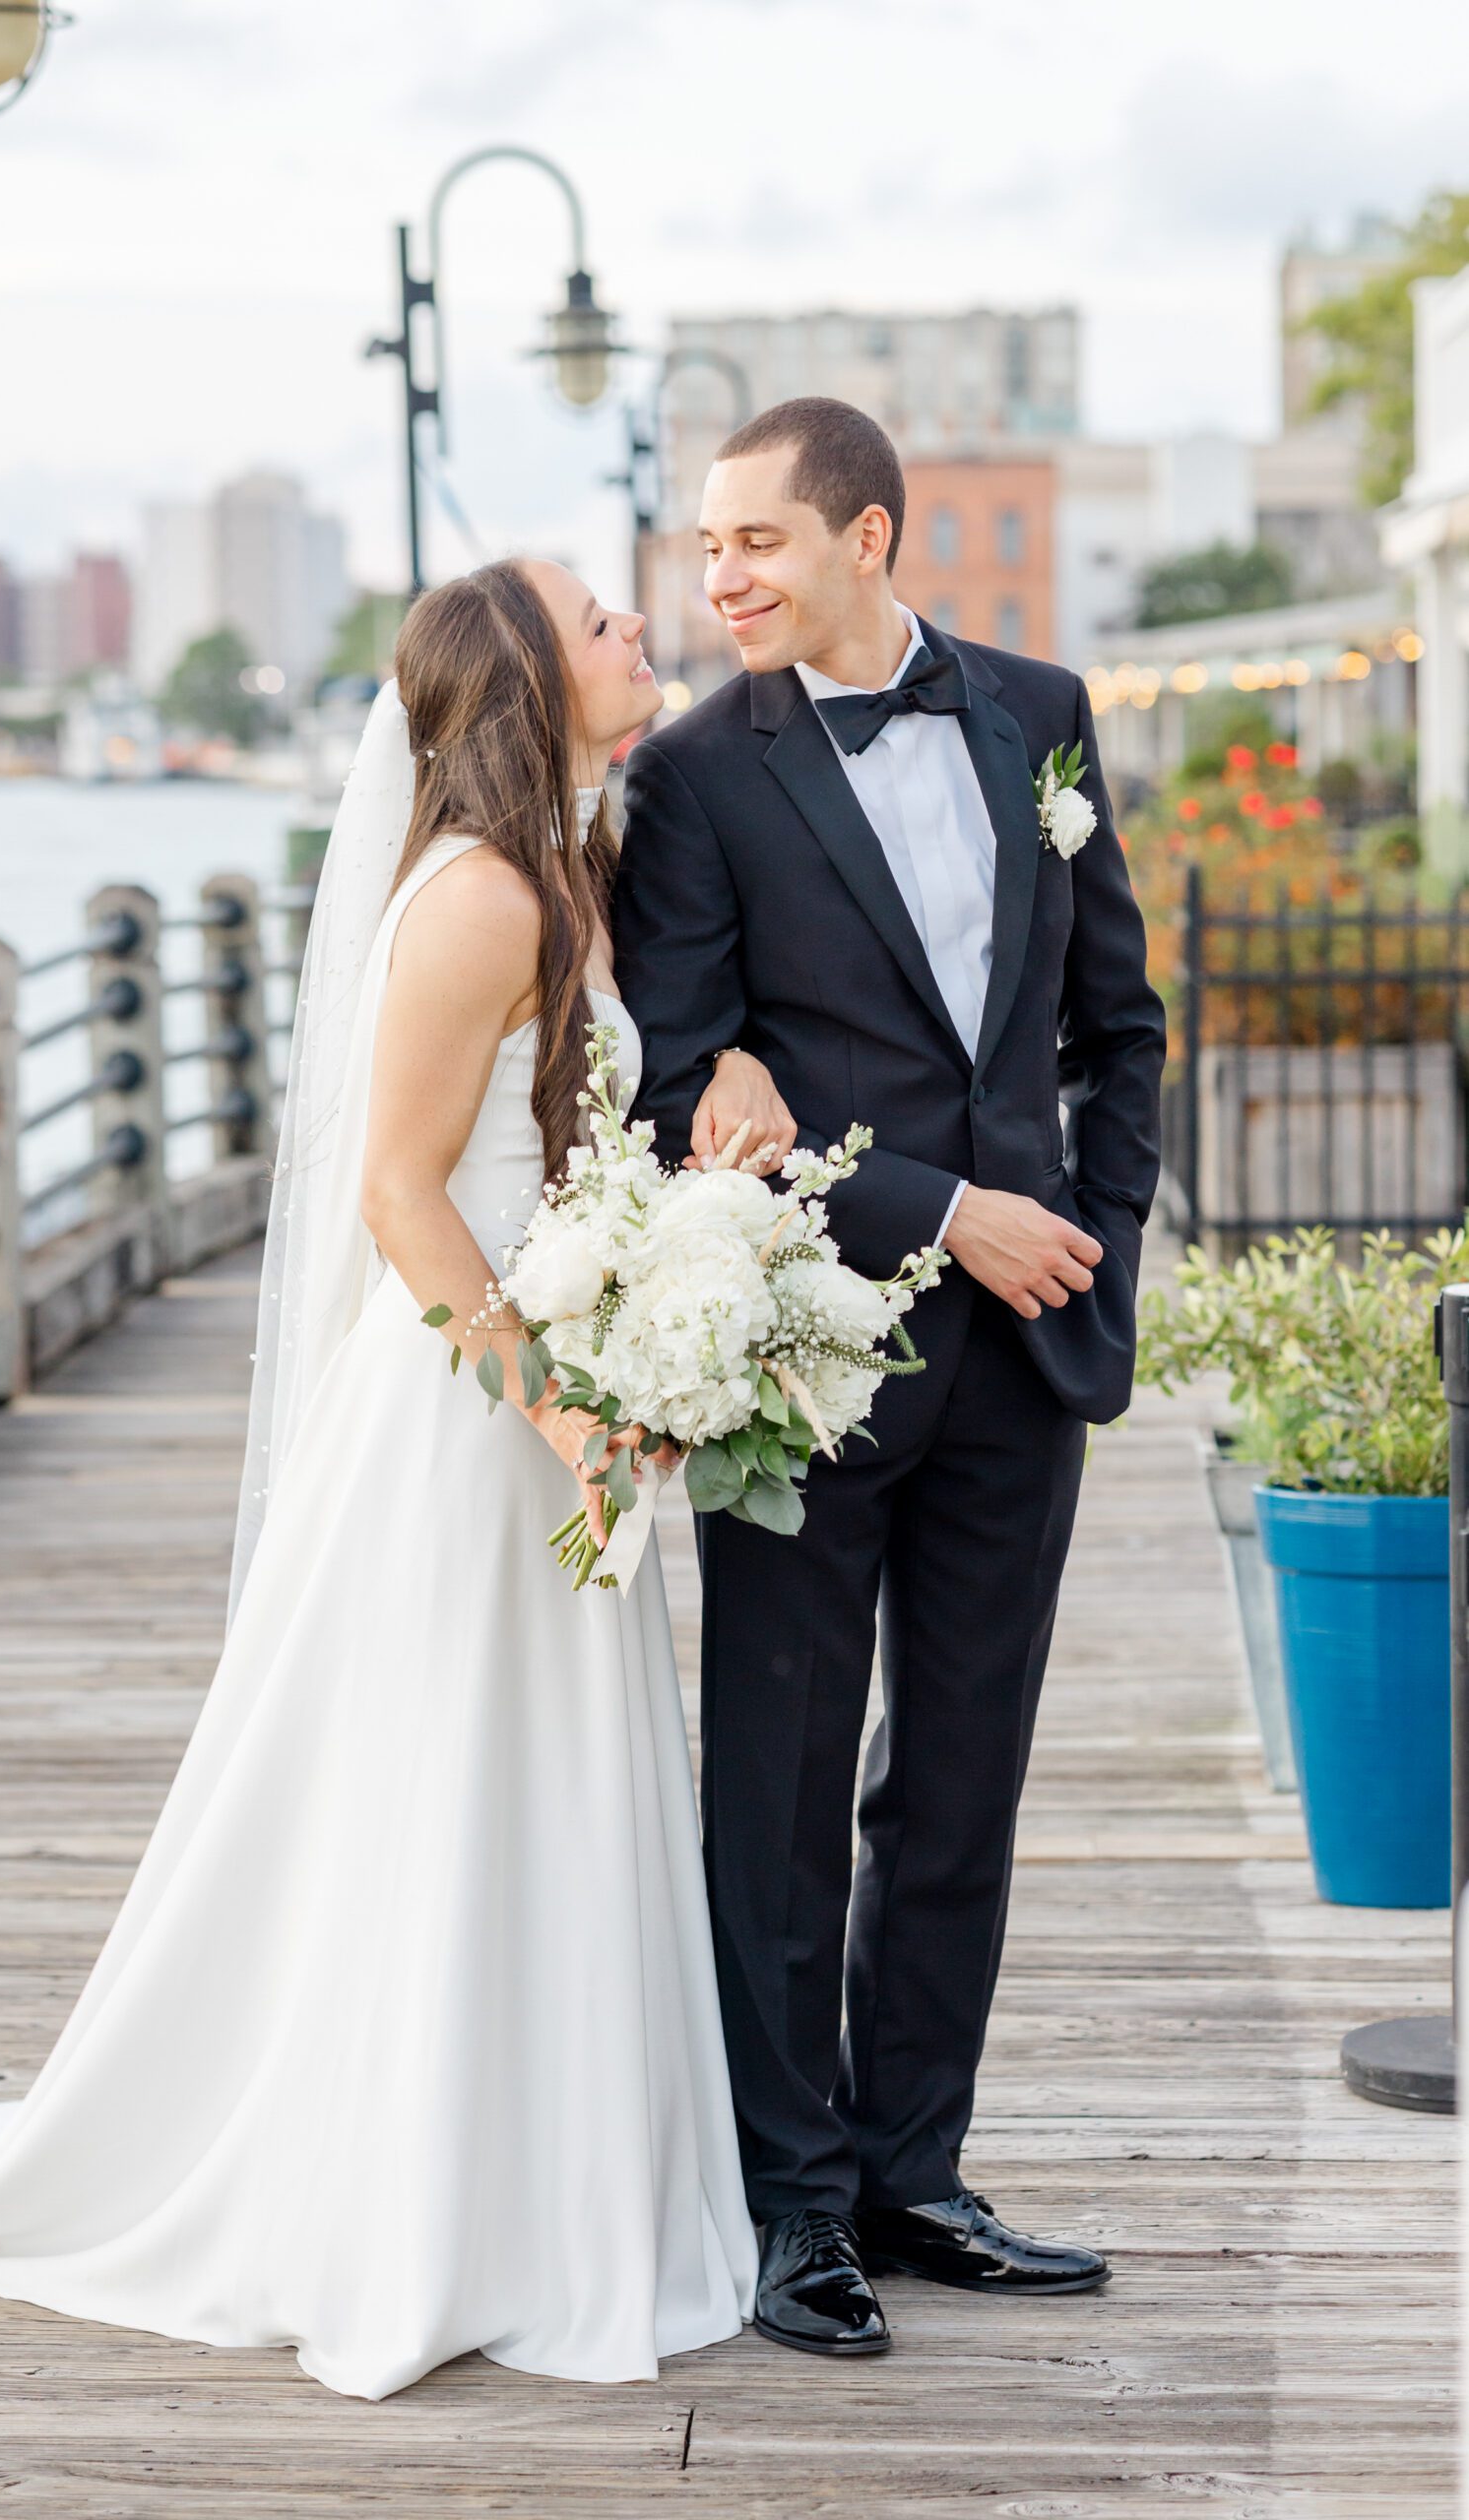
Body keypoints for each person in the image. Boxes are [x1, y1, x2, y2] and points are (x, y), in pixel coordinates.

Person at [0, 558, 769, 2402]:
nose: (639, 627)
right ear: (525, 682)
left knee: (539, 1784)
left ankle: (547, 2190)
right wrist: (560, 1410)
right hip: (467, 1413)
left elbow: (572, 1147)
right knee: (448, 1790)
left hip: (557, 1374)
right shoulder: (476, 896)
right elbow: (404, 1191)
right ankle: (411, 2207)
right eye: (599, 619)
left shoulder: (572, 869)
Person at [615, 397, 1167, 2357]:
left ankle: (914, 2166)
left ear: (865, 533)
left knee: (954, 1782)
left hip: (1025, 1356)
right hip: (805, 1353)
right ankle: (790, 2207)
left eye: (751, 540)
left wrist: (1081, 1238)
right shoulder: (688, 779)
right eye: (698, 548)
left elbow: (1117, 1017)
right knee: (768, 1787)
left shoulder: (1039, 707)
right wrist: (947, 1211)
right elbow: (686, 1074)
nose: (716, 578)